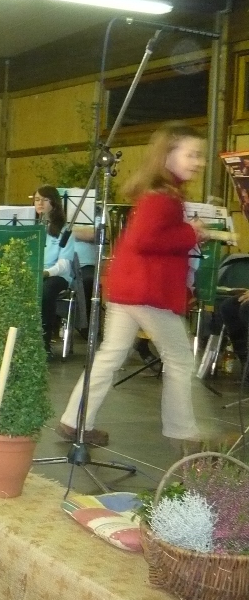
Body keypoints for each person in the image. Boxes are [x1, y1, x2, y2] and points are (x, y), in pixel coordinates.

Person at [58, 123, 208, 451]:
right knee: (180, 359)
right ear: (167, 155)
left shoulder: (158, 193)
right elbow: (146, 240)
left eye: (201, 156)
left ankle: (75, 420)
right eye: (192, 154)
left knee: (111, 355)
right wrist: (191, 233)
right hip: (147, 291)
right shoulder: (164, 198)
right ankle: (183, 433)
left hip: (128, 286)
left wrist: (186, 232)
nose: (199, 162)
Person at [33, 186, 76, 359]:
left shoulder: (64, 230)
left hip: (56, 276)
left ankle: (44, 343)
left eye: (45, 199)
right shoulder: (32, 227)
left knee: (46, 291)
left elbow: (64, 264)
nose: (40, 203)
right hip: (34, 273)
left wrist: (46, 272)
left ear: (54, 203)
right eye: (37, 199)